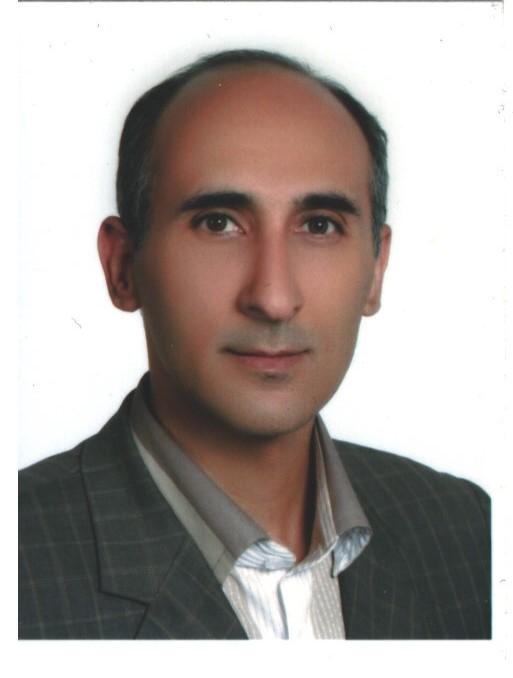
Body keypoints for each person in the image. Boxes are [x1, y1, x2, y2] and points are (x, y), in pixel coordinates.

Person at [18, 49, 490, 640]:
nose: (273, 297)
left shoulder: (468, 531)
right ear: (122, 266)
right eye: (218, 222)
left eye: (319, 225)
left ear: (375, 270)